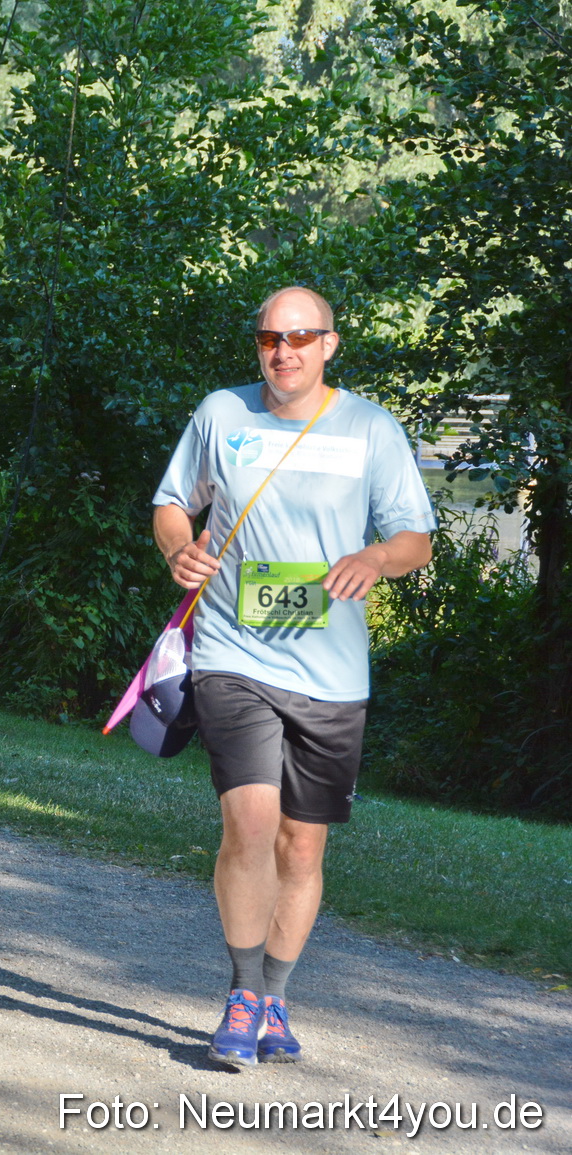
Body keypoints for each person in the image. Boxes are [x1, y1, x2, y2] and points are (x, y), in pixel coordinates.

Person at [151, 287, 434, 1069]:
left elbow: (416, 538)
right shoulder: (223, 414)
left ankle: (276, 995)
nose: (283, 351)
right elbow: (172, 503)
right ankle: (242, 994)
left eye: (301, 337)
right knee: (249, 822)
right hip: (232, 654)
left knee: (301, 848)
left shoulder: (371, 429)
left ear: (329, 344)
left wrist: (375, 556)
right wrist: (178, 548)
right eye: (270, 337)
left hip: (331, 672)